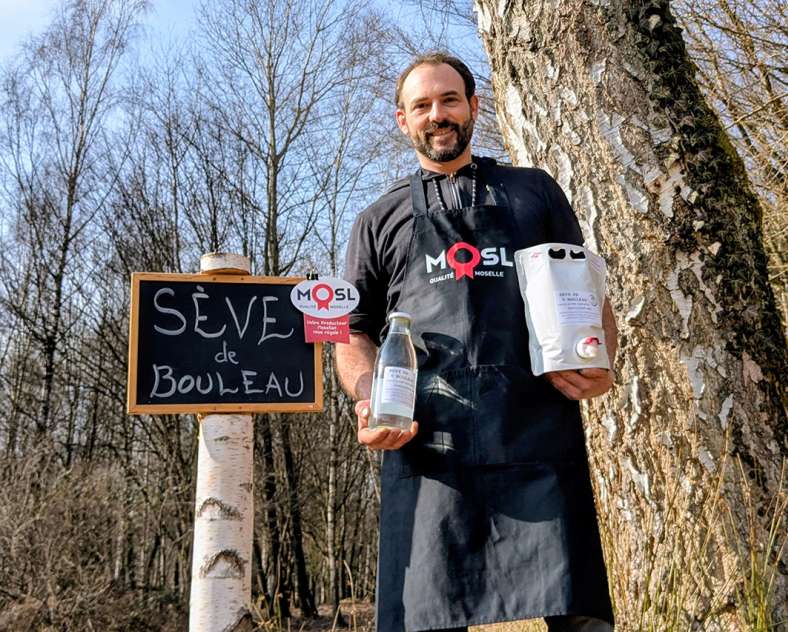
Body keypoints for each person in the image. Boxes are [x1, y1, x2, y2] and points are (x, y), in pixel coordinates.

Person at [335, 52, 618, 632]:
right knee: (427, 618)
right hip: (427, 446)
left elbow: (585, 292)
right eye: (422, 106)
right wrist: (368, 397)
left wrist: (601, 360)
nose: (437, 115)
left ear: (473, 107)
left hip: (536, 435)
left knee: (580, 616)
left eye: (449, 100)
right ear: (402, 120)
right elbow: (352, 329)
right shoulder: (377, 219)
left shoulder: (532, 192)